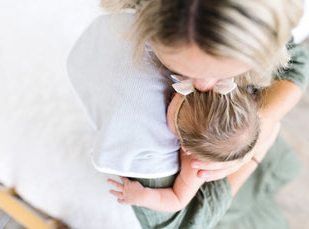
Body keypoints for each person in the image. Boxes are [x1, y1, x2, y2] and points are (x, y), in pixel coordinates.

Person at [97, 0, 309, 228]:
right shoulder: (133, 111)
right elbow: (178, 221)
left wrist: (262, 127)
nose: (204, 87)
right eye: (182, 72)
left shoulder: (195, 166)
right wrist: (254, 156)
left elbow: (296, 59)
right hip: (221, 207)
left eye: (225, 74)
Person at [107, 87, 261, 213]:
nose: (174, 93)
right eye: (184, 89)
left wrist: (143, 196)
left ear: (184, 146)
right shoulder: (215, 84)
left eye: (171, 102)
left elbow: (177, 200)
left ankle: (259, 156)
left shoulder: (194, 168)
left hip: (210, 192)